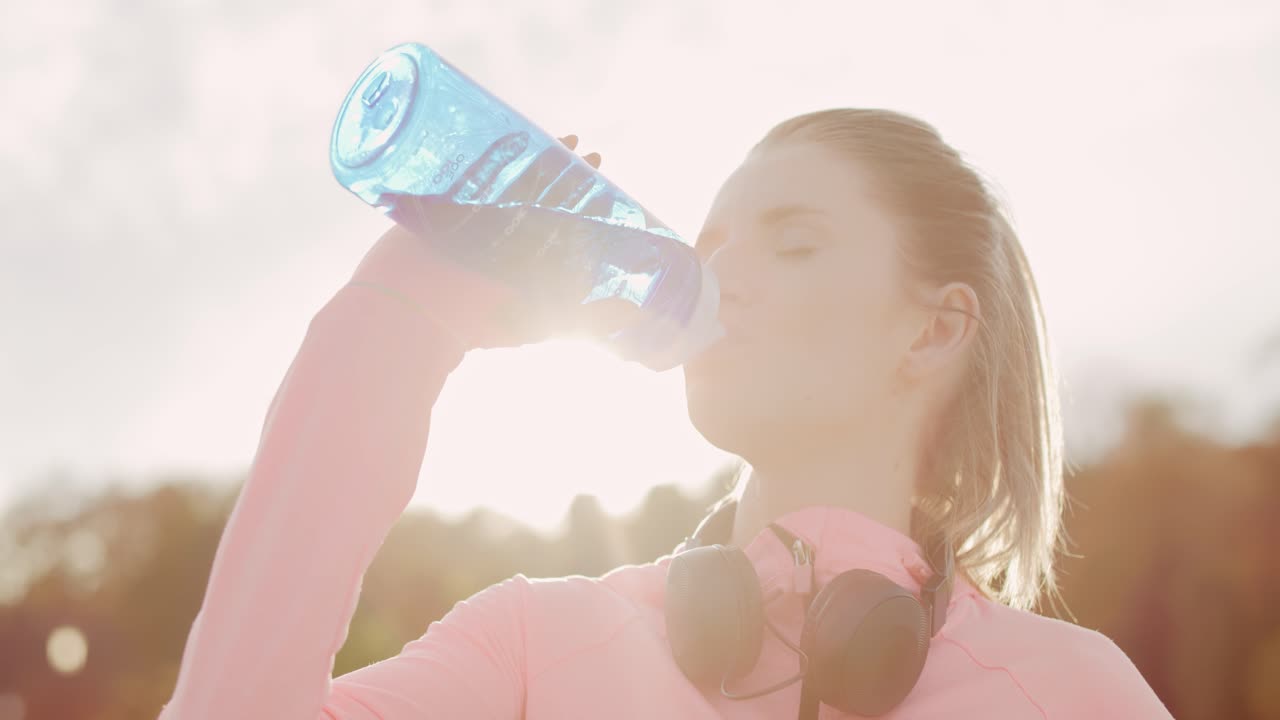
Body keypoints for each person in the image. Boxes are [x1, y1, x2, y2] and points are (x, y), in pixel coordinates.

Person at [157, 109, 1173, 719]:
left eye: (796, 241)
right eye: (712, 240)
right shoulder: (532, 642)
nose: (721, 273)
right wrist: (398, 318)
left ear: (933, 331)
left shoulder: (1065, 694)